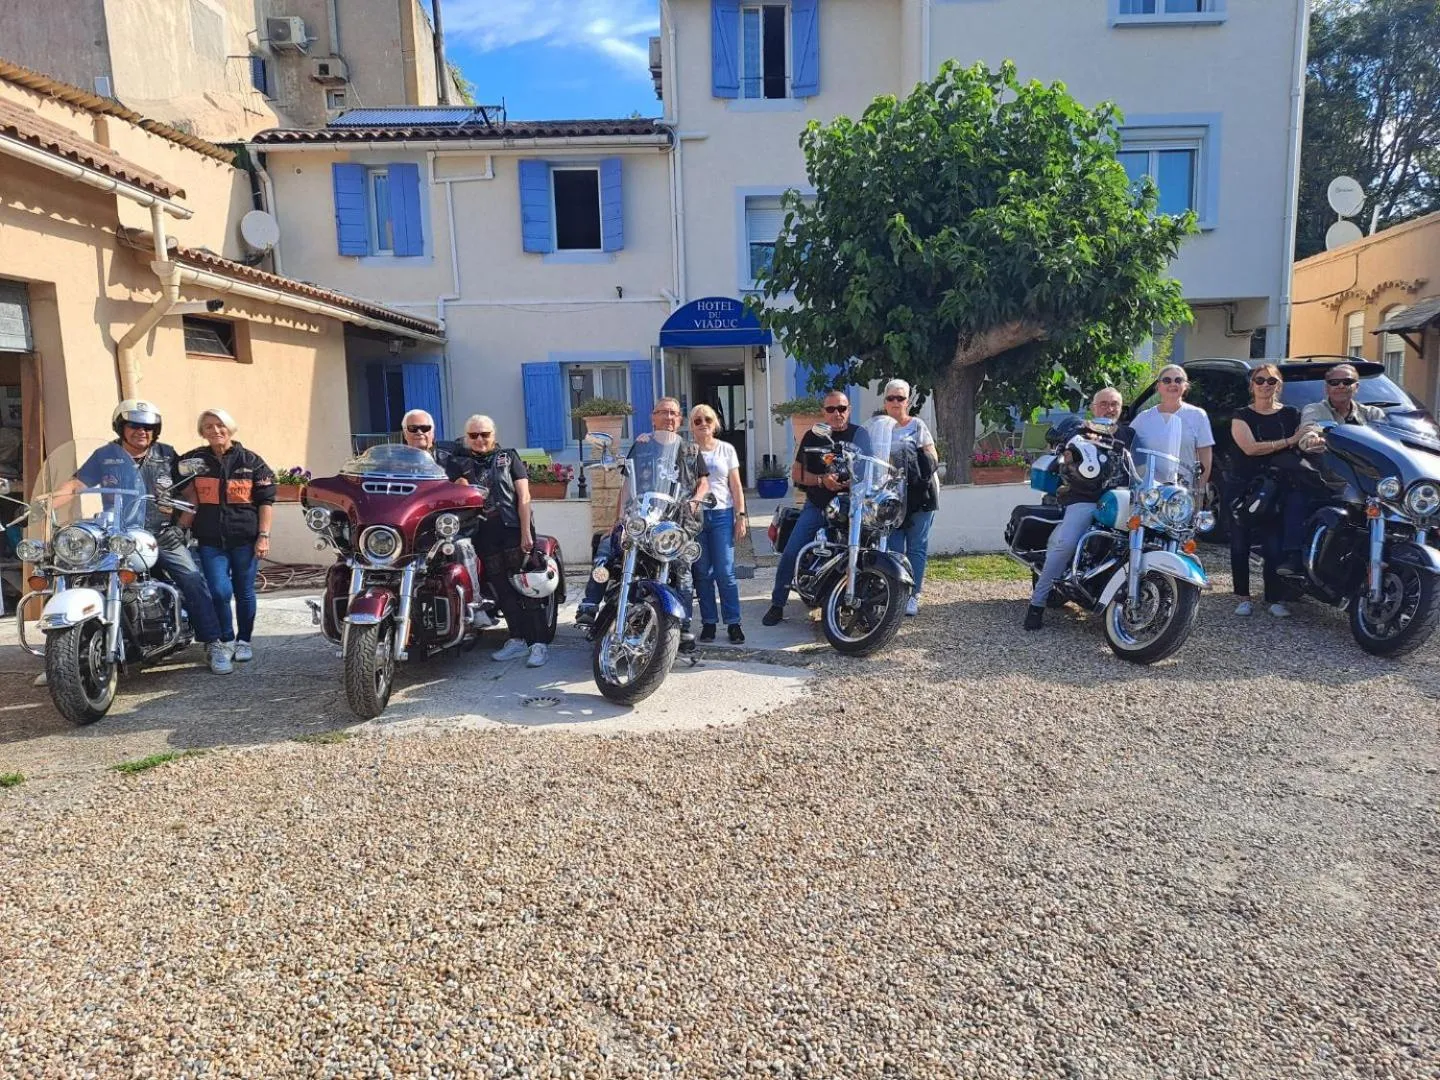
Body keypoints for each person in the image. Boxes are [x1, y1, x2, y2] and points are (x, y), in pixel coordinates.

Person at [53, 400, 229, 674]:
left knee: (192, 579)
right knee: (80, 575)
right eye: (134, 426)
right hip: (118, 536)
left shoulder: (167, 455)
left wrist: (181, 525)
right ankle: (64, 658)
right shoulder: (105, 455)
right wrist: (45, 504)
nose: (141, 432)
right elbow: (77, 484)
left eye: (148, 427)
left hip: (161, 534)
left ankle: (213, 642)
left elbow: (190, 493)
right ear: (122, 427)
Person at [576, 398, 710, 651]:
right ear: (653, 417)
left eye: (673, 414)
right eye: (663, 413)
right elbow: (628, 485)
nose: (669, 418)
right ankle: (589, 604)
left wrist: (696, 500)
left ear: (680, 420)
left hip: (676, 520)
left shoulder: (691, 450)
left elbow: (704, 481)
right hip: (645, 517)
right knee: (608, 547)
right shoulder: (642, 446)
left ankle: (683, 626)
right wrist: (619, 520)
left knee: (683, 566)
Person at [762, 389, 872, 627]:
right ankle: (777, 604)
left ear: (849, 410)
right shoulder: (814, 436)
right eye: (831, 409)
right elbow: (797, 472)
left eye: (842, 408)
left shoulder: (860, 435)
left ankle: (864, 604)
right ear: (824, 412)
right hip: (820, 504)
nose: (837, 413)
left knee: (867, 550)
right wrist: (823, 481)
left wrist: (854, 482)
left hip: (853, 505)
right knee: (793, 550)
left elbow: (871, 469)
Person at [175, 409, 276, 665]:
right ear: (202, 432)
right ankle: (226, 638)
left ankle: (244, 641)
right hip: (210, 542)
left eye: (220, 425)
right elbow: (173, 486)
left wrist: (263, 536)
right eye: (208, 426)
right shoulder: (192, 461)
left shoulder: (251, 461)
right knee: (219, 592)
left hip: (245, 540)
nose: (215, 431)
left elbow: (266, 501)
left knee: (244, 592)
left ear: (230, 428)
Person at [1023, 387, 1129, 631]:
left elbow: (1143, 463)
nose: (1109, 408)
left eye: (1114, 404)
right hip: (1086, 498)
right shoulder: (1082, 430)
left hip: (1122, 498)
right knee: (1066, 543)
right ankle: (1037, 604)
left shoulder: (1129, 434)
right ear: (1093, 407)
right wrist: (1071, 456)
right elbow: (1067, 456)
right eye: (1104, 403)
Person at [450, 415, 551, 668]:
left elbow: (524, 496)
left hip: (511, 529)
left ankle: (538, 644)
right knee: (501, 588)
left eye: (485, 434)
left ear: (494, 435)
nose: (480, 440)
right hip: (482, 533)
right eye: (474, 435)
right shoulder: (458, 462)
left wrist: (526, 533)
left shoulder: (508, 457)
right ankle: (516, 639)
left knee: (526, 586)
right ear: (466, 438)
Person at [1228, 364, 1306, 615]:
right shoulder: (1241, 415)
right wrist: (1288, 442)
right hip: (1244, 485)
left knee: (1274, 545)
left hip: (1278, 486)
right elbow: (1249, 448)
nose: (1265, 385)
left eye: (1271, 381)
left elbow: (1307, 435)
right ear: (1251, 385)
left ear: (1278, 385)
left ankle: (1273, 598)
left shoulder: (1292, 414)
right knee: (1240, 544)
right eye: (1259, 380)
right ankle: (1242, 596)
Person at [879, 379, 939, 616]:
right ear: (885, 402)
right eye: (891, 398)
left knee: (916, 548)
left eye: (900, 398)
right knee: (893, 548)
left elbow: (932, 456)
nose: (896, 403)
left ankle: (913, 595)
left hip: (918, 495)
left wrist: (915, 466)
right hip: (889, 498)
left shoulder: (917, 426)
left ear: (908, 401)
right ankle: (896, 593)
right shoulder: (879, 428)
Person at [688, 403, 746, 644]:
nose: (703, 424)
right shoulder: (687, 451)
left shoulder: (726, 450)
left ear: (716, 423)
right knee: (701, 573)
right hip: (696, 517)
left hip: (722, 514)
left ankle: (734, 623)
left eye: (708, 420)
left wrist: (741, 516)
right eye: (697, 420)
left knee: (725, 572)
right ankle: (709, 623)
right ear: (691, 426)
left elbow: (736, 486)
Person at [1128, 364, 1214, 489]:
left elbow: (1205, 456)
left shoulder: (1198, 415)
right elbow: (1127, 446)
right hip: (1149, 493)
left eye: (1178, 380)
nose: (1172, 384)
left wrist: (1199, 491)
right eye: (1167, 380)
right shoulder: (1143, 418)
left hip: (1182, 492)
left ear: (1185, 386)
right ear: (1158, 386)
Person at [1297, 362, 1385, 441]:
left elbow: (1385, 441)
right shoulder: (1314, 410)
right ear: (1326, 388)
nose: (1341, 386)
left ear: (1357, 387)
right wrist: (1312, 441)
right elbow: (1308, 432)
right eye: (1334, 382)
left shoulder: (1373, 413)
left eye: (1347, 382)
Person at [400, 408, 463, 475]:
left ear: (432, 433)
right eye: (413, 428)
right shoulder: (395, 464)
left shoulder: (451, 463)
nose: (419, 432)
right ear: (405, 434)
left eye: (425, 428)